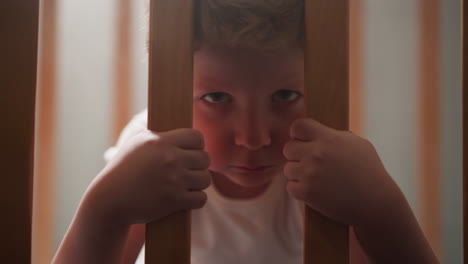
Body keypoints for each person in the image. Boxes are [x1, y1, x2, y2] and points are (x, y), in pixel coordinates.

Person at [52, 0, 439, 263]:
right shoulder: (155, 153)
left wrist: (382, 209)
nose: (253, 138)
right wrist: (103, 210)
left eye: (285, 95)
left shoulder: (329, 167)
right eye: (217, 97)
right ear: (169, 87)